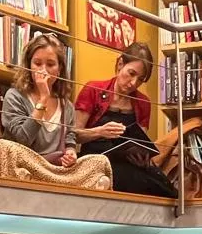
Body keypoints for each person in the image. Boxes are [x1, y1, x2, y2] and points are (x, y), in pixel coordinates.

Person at [0, 33, 113, 190]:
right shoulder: (14, 96)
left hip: (56, 171)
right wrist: (43, 99)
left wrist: (70, 152)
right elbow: (23, 140)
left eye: (50, 65)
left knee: (100, 161)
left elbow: (69, 138)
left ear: (59, 69)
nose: (43, 70)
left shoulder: (67, 106)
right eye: (37, 63)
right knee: (2, 147)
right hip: (27, 164)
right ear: (29, 66)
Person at [73, 43, 175, 197]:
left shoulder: (143, 102)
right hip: (96, 160)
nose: (134, 83)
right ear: (120, 64)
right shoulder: (93, 89)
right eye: (131, 73)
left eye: (140, 79)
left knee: (167, 189)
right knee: (134, 181)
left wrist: (142, 158)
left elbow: (140, 142)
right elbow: (74, 135)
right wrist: (100, 132)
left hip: (127, 162)